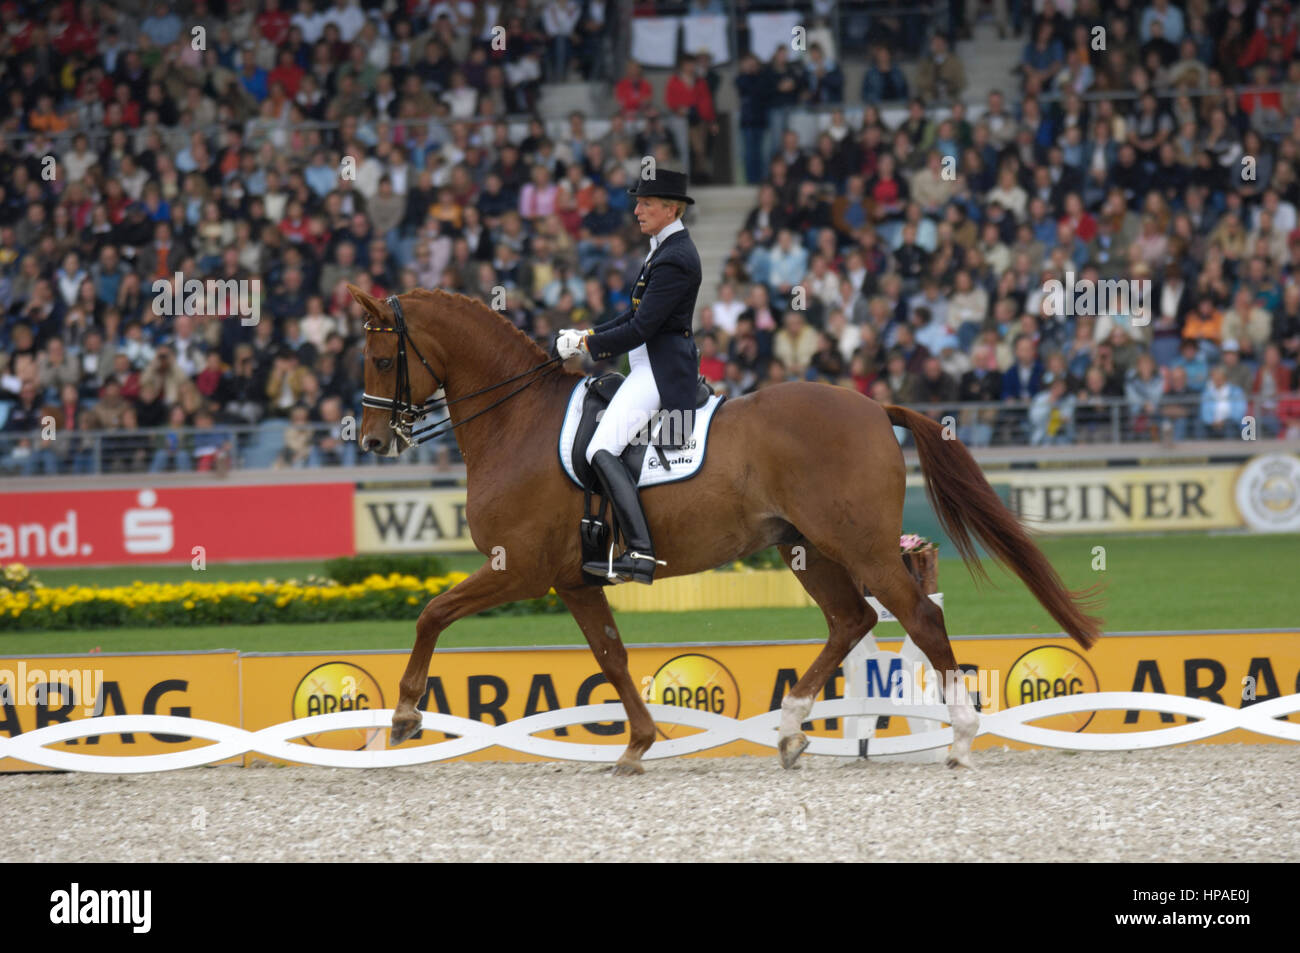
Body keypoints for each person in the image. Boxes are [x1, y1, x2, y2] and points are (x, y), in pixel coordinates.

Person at [555, 169, 702, 584]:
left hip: (657, 371)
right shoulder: (662, 248)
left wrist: (586, 347)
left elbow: (641, 330)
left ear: (671, 209)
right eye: (637, 202)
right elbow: (635, 316)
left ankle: (639, 551)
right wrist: (589, 333)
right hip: (644, 364)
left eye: (646, 204)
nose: (636, 210)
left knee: (600, 448)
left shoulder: (675, 256)